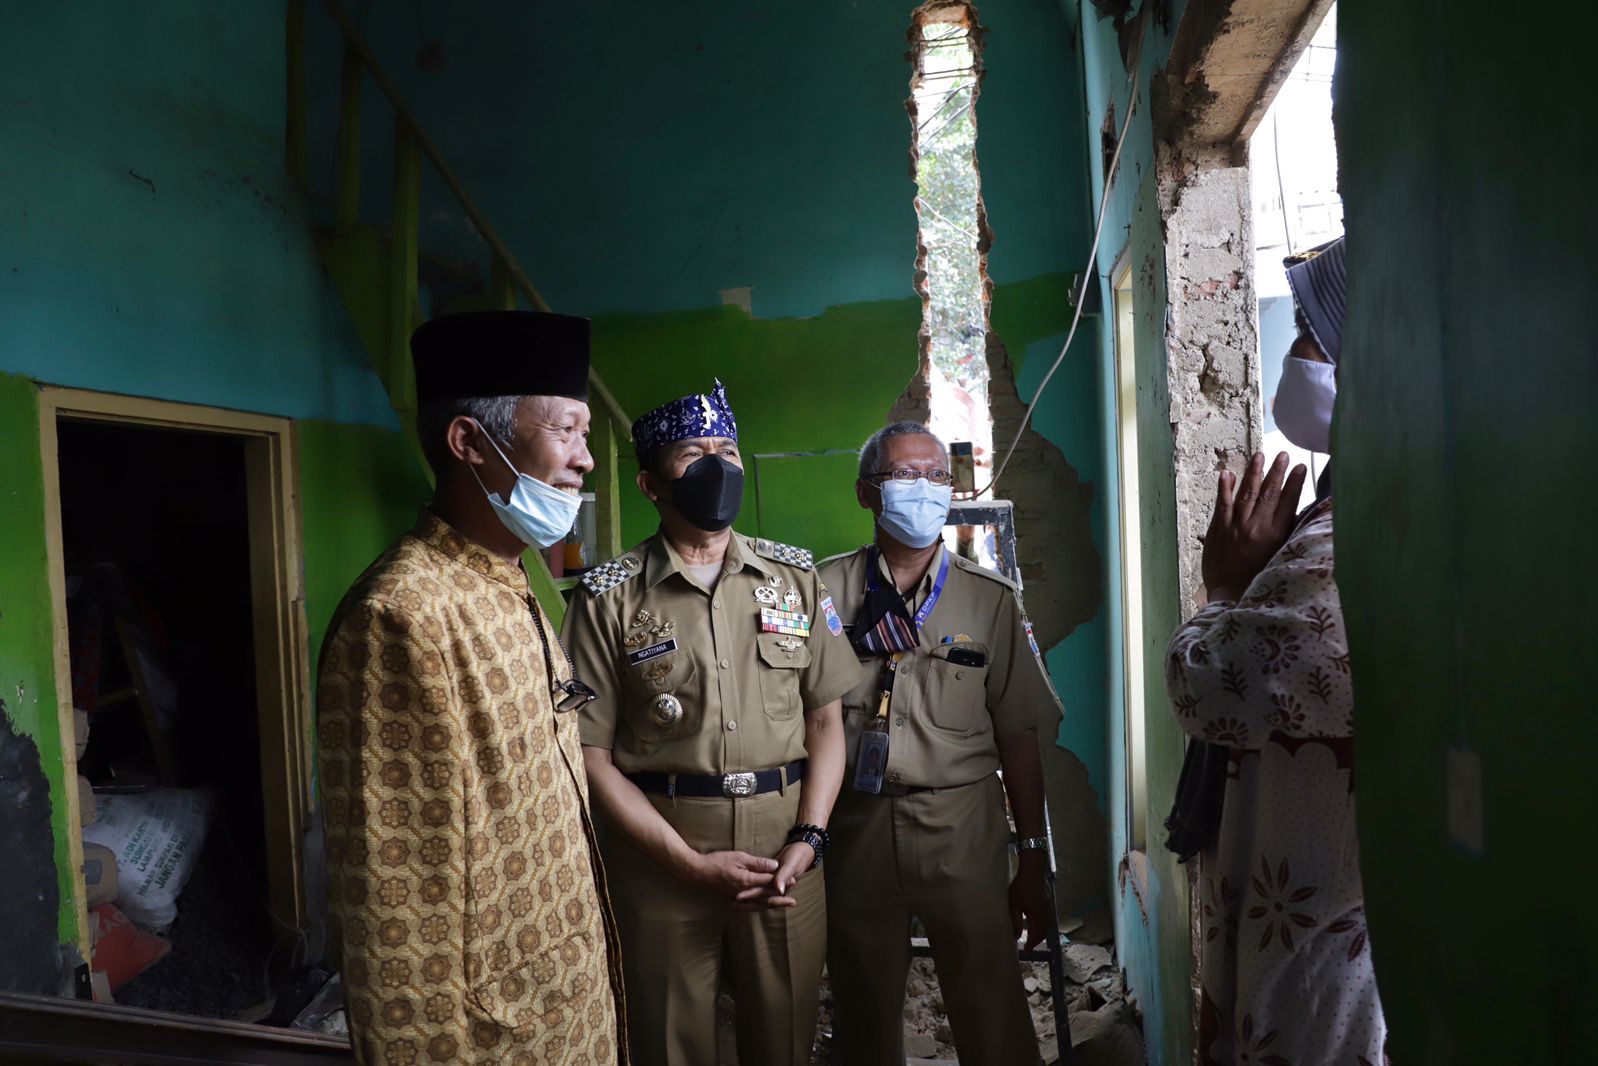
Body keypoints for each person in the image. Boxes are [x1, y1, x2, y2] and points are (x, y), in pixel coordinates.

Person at [317, 311, 626, 1066]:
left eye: (588, 434)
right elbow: (395, 913)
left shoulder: (506, 577)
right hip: (496, 1036)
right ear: (469, 443)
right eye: (566, 431)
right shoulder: (403, 618)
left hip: (565, 999)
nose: (586, 460)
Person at [561, 380, 865, 1066]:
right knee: (669, 1042)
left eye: (727, 450)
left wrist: (810, 838)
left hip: (785, 851)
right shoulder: (609, 598)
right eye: (692, 454)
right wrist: (689, 864)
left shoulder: (793, 579)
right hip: (660, 858)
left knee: (785, 1036)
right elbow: (591, 755)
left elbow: (825, 723)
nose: (716, 467)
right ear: (649, 483)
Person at [1165, 237, 1388, 1063]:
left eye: (1315, 332)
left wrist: (1226, 590)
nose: (1297, 354)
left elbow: (1212, 686)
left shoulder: (1354, 540)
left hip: (1326, 939)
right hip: (1307, 911)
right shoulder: (1359, 503)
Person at [816, 421, 1064, 1066]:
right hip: (856, 825)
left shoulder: (990, 601)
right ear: (867, 494)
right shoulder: (820, 594)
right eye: (903, 475)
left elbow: (1019, 732)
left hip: (962, 826)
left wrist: (1031, 858)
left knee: (990, 1004)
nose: (922, 489)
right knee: (861, 1008)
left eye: (935, 477)